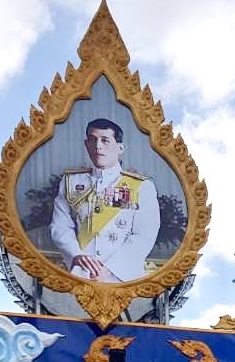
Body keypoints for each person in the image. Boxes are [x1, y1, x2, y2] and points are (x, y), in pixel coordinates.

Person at [49, 117, 161, 283]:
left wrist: (109, 269)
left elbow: (145, 234)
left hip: (124, 279)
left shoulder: (142, 187)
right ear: (86, 144)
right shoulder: (71, 182)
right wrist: (76, 256)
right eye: (92, 140)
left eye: (105, 140)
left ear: (120, 147)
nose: (98, 146)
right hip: (81, 275)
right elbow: (60, 226)